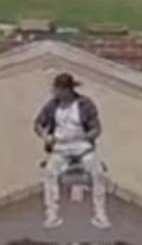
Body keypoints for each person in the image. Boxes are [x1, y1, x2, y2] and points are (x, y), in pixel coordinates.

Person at [35, 71, 110, 229]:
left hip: (82, 146)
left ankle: (100, 215)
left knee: (98, 173)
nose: (55, 93)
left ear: (67, 90)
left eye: (58, 90)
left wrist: (84, 138)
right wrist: (45, 136)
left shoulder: (84, 104)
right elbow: (38, 124)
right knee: (50, 173)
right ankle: (52, 215)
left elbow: (96, 129)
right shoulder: (53, 105)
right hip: (60, 147)